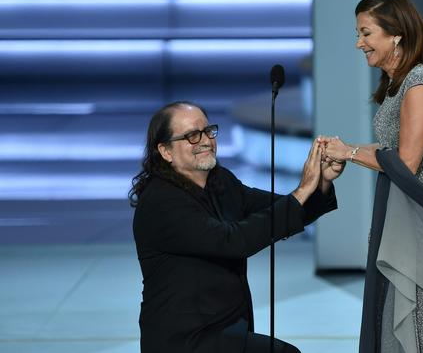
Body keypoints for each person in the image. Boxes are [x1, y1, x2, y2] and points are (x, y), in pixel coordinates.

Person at [129, 101, 344, 353]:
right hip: (185, 339)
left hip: (226, 329)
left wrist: (321, 183)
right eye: (191, 136)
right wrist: (301, 190)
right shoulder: (161, 201)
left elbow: (285, 209)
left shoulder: (221, 182)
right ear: (165, 151)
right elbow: (232, 241)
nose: (206, 140)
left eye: (208, 131)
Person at [320, 0, 423, 353]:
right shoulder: (397, 85)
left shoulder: (419, 84)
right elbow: (390, 152)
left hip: (418, 223)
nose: (359, 43)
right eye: (359, 33)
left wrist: (350, 153)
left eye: (366, 33)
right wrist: (346, 151)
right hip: (398, 216)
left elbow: (406, 164)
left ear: (396, 33)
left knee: (414, 321)